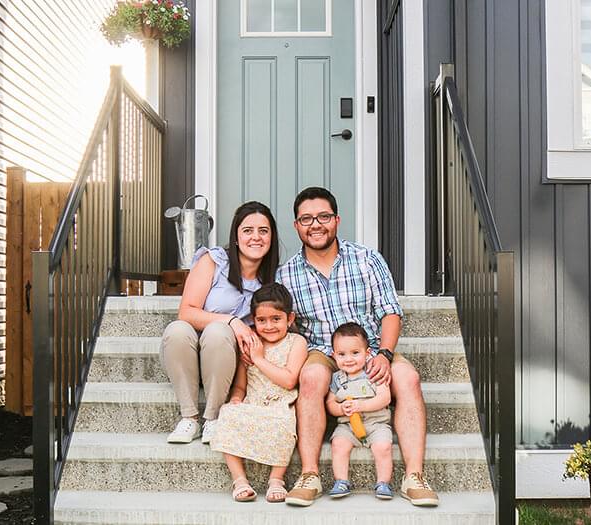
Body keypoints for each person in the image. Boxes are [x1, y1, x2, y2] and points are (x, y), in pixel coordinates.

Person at [276, 186, 439, 507]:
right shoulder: (286, 275)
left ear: (336, 220)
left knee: (407, 378)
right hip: (322, 351)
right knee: (310, 379)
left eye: (323, 216)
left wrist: (385, 353)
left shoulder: (366, 259)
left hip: (370, 348)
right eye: (306, 219)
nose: (315, 225)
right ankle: (309, 475)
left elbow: (390, 312)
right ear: (296, 226)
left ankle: (414, 477)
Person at [160, 201, 279, 444]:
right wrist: (233, 320)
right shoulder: (214, 261)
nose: (256, 237)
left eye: (263, 231)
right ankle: (189, 418)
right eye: (248, 230)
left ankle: (213, 418)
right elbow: (186, 312)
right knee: (177, 329)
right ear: (236, 236)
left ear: (271, 237)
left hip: (225, 358)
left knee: (218, 332)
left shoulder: (275, 277)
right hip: (189, 354)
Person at [210, 283, 308, 502]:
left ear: (290, 319)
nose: (269, 326)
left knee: (285, 422)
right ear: (253, 319)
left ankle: (276, 479)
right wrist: (236, 399)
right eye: (261, 320)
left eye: (276, 319)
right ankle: (240, 480)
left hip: (281, 403)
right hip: (252, 401)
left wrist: (259, 359)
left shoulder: (296, 342)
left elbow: (289, 379)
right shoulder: (251, 343)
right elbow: (241, 386)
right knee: (227, 414)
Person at [326, 322, 393, 500]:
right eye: (342, 354)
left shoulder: (373, 372)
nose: (348, 359)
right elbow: (330, 403)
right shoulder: (337, 378)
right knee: (339, 445)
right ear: (334, 356)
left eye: (355, 353)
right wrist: (340, 408)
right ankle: (341, 481)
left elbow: (384, 397)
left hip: (376, 423)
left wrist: (361, 406)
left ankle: (383, 482)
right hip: (347, 426)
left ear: (368, 352)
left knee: (383, 447)